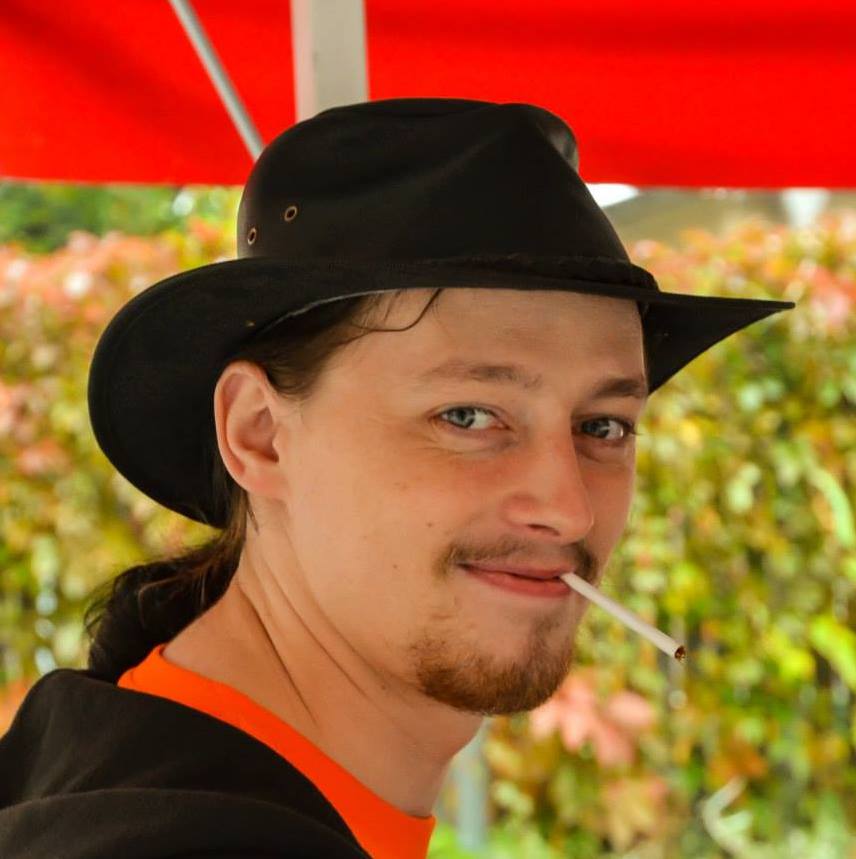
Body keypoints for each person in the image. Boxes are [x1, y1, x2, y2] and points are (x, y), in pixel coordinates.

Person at [0, 98, 794, 858]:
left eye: (603, 426)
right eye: (469, 415)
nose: (569, 508)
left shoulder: (114, 764)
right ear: (260, 433)